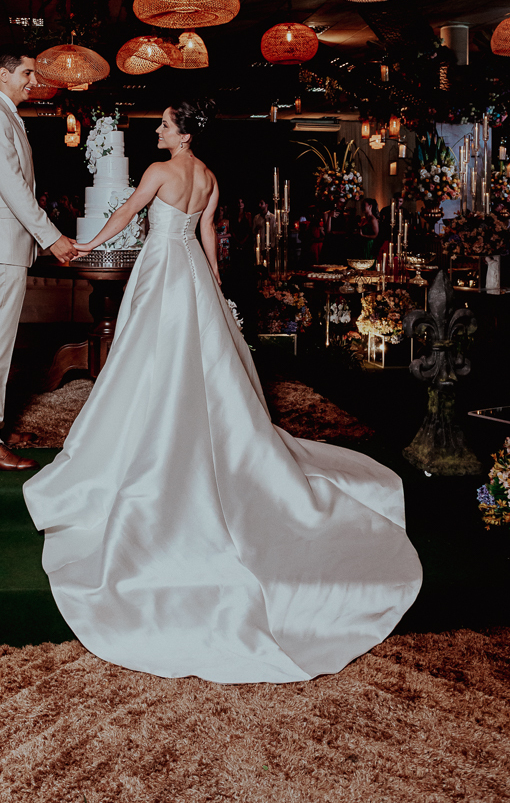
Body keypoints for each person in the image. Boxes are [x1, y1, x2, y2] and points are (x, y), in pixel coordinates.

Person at [24, 99, 422, 684]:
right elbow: (208, 234)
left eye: (163, 124)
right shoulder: (207, 175)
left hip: (160, 269)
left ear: (182, 133)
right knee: (202, 361)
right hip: (188, 269)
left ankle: (151, 437)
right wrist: (212, 280)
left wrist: (89, 247)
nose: (157, 130)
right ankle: (194, 430)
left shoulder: (160, 173)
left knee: (149, 356)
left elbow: (130, 217)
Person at [0, 43, 78, 472]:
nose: (33, 81)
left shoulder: (3, 115)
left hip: (2, 243)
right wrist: (52, 237)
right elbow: (12, 188)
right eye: (27, 73)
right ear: (4, 74)